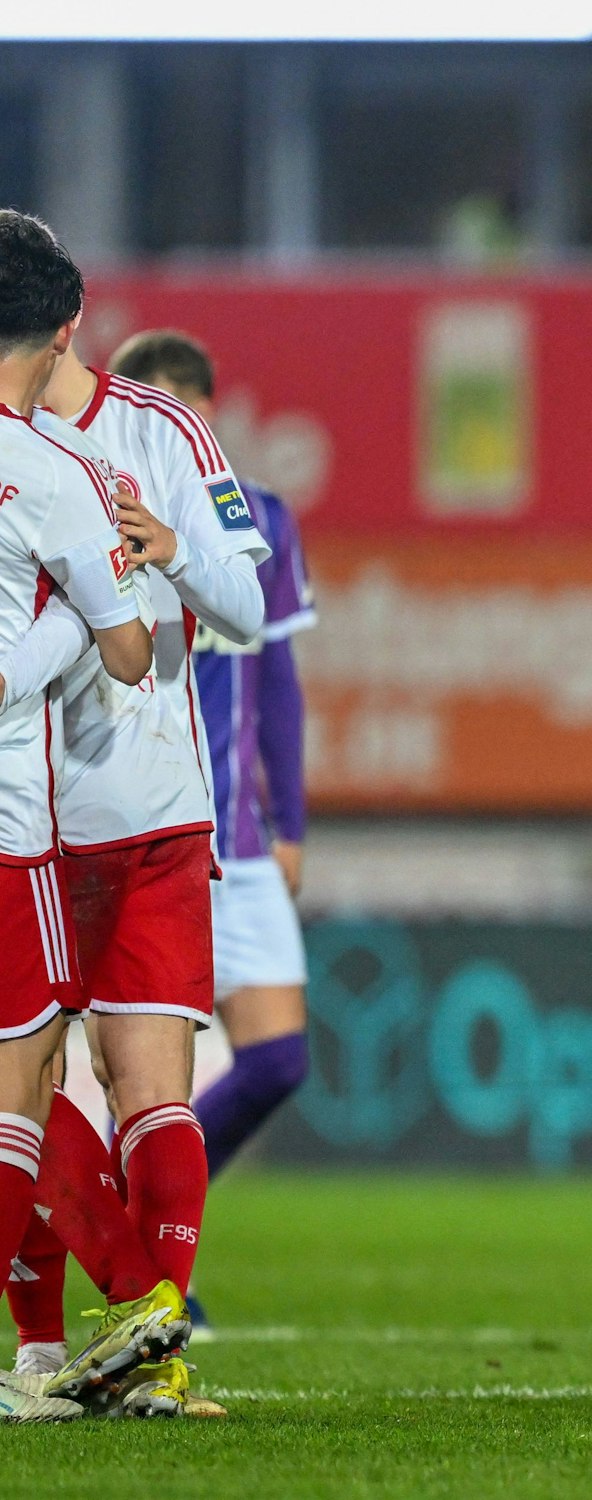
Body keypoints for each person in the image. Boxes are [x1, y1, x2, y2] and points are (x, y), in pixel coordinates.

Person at [0, 224, 268, 1417]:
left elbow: (250, 605)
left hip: (143, 809)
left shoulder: (160, 431)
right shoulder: (24, 454)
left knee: (144, 1077)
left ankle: (148, 1357)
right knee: (29, 1079)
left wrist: (171, 557)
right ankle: (51, 1356)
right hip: (30, 812)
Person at [0, 211, 179, 1424]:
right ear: (67, 325)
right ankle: (133, 1304)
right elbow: (127, 648)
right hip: (12, 836)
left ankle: (83, 1328)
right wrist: (56, 616)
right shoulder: (56, 475)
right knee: (18, 1089)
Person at [109, 330, 316, 1332]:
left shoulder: (255, 523)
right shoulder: (89, 515)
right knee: (137, 1082)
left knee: (277, 1061)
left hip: (237, 836)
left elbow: (274, 675)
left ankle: (137, 1237)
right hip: (141, 833)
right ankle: (154, 1284)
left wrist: (292, 817)